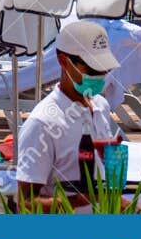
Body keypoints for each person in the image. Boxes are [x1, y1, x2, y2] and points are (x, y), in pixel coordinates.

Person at [14, 20, 124, 210]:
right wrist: (85, 200)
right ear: (64, 61)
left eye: (104, 70)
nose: (99, 77)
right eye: (92, 70)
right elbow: (25, 203)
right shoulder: (42, 123)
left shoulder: (101, 105)